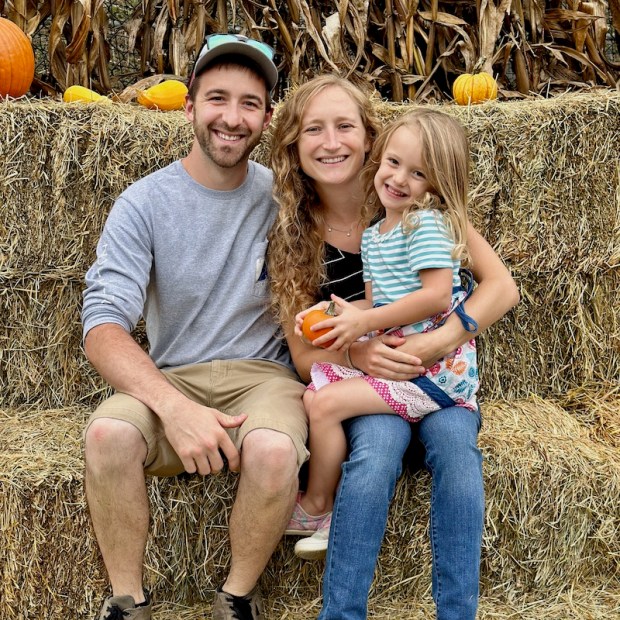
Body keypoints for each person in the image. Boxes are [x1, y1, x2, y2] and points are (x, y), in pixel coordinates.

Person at [267, 75, 520, 619]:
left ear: (369, 139)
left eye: (344, 126)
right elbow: (305, 353)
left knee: (457, 451)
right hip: (375, 379)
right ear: (293, 144)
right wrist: (359, 347)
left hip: (435, 376)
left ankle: (457, 611)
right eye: (314, 129)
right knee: (375, 452)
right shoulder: (296, 234)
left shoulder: (422, 209)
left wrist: (444, 338)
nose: (331, 141)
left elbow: (500, 287)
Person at [81, 34, 308, 620]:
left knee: (276, 450)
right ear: (189, 108)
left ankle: (234, 598)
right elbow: (103, 324)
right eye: (217, 99)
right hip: (172, 376)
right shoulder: (144, 203)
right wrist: (173, 408)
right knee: (107, 435)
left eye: (250, 103)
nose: (232, 119)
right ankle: (127, 601)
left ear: (267, 116)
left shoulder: (288, 197)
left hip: (264, 380)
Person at [290, 108, 481, 532]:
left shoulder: (425, 225)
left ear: (437, 185)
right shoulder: (377, 235)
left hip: (433, 372)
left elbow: (435, 297)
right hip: (401, 358)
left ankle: (319, 506)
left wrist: (363, 321)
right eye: (393, 163)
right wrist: (333, 315)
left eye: (417, 174)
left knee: (323, 405)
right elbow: (378, 307)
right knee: (314, 390)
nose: (398, 179)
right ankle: (324, 505)